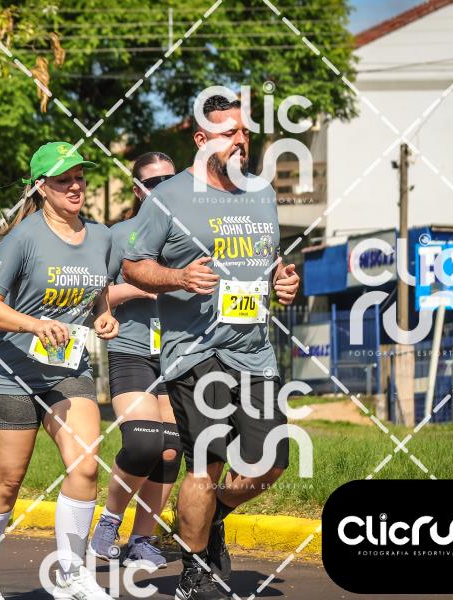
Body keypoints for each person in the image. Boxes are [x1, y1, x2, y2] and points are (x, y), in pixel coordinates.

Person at [122, 94, 300, 600]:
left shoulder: (261, 193)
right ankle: (194, 572)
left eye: (244, 132)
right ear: (201, 140)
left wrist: (282, 282)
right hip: (195, 352)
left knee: (272, 460)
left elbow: (267, 260)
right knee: (207, 462)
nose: (240, 141)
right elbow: (134, 264)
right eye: (228, 133)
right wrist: (178, 277)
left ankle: (211, 515)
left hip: (254, 351)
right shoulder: (168, 197)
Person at [0, 142, 120, 600]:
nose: (75, 186)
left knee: (85, 466)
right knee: (7, 482)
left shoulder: (102, 237)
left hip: (66, 371)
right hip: (7, 374)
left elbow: (98, 291)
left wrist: (104, 315)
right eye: (63, 179)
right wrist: (34, 324)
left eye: (79, 177)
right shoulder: (23, 238)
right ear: (40, 188)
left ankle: (72, 573)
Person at [89, 152, 180, 569]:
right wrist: (140, 288)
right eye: (153, 183)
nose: (162, 189)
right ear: (138, 190)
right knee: (144, 442)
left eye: (170, 181)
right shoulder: (119, 235)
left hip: (180, 354)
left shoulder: (192, 231)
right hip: (132, 350)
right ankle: (109, 522)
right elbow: (96, 294)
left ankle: (142, 540)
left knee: (170, 450)